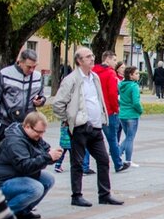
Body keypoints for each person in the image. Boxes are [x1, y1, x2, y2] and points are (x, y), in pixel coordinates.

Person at [53, 47, 124, 207]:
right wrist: (71, 120)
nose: (92, 59)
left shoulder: (95, 77)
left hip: (95, 126)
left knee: (104, 160)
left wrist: (102, 115)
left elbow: (98, 99)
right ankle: (76, 195)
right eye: (88, 57)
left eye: (92, 55)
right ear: (79, 61)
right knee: (77, 162)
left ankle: (104, 194)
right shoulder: (71, 79)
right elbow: (58, 104)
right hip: (80, 127)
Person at [0, 112, 62, 219]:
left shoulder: (33, 137)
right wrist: (48, 157)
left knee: (48, 179)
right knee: (36, 188)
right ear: (27, 126)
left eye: (43, 132)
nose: (41, 135)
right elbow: (24, 166)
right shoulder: (15, 141)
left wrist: (54, 156)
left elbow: (45, 152)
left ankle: (21, 212)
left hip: (18, 176)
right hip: (3, 181)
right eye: (39, 132)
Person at [0, 49, 46, 149]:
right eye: (29, 67)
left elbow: (42, 96)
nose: (32, 70)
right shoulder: (4, 74)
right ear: (20, 62)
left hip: (27, 126)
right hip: (5, 123)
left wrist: (40, 101)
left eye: (34, 66)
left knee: (24, 158)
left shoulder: (38, 76)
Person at [92, 51, 130, 173]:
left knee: (89, 138)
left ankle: (85, 166)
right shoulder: (110, 73)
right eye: (114, 60)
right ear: (107, 60)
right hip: (108, 111)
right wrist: (115, 109)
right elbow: (113, 93)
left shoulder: (93, 71)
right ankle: (118, 164)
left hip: (94, 111)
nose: (115, 63)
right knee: (112, 139)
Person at [119, 66, 143, 167]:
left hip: (123, 114)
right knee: (130, 138)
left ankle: (118, 152)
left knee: (128, 136)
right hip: (132, 115)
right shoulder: (134, 86)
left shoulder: (121, 85)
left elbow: (119, 99)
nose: (138, 75)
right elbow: (136, 102)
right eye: (136, 73)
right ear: (131, 75)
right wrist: (140, 110)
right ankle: (127, 159)